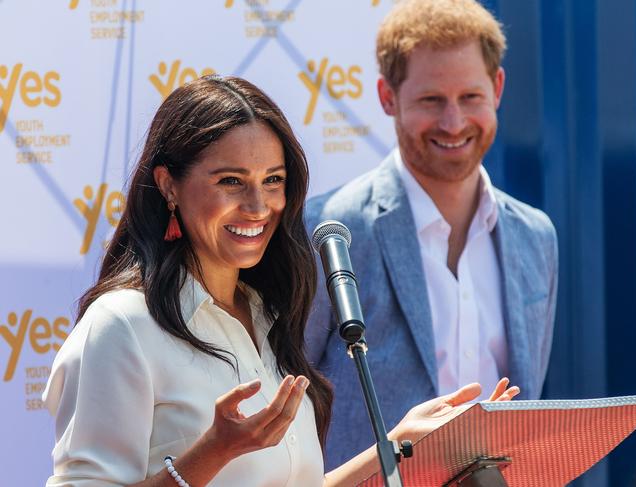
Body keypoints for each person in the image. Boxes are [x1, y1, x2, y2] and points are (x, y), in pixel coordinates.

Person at [43, 75, 518, 487]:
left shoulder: (264, 313)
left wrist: (400, 443)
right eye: (231, 181)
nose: (258, 206)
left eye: (273, 180)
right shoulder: (122, 324)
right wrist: (212, 452)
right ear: (169, 185)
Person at [305, 0, 558, 470]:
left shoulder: (535, 237)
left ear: (497, 88)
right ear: (387, 97)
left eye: (470, 97)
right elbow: (288, 409)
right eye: (431, 100)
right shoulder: (329, 232)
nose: (454, 122)